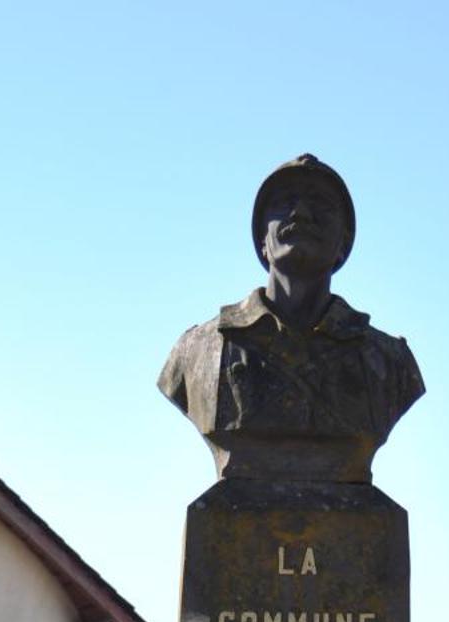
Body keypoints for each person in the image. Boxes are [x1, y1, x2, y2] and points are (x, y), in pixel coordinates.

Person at [158, 155, 424, 482]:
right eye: (284, 203)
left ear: (344, 242)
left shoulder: (388, 361)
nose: (301, 213)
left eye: (322, 205)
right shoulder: (199, 350)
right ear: (261, 241)